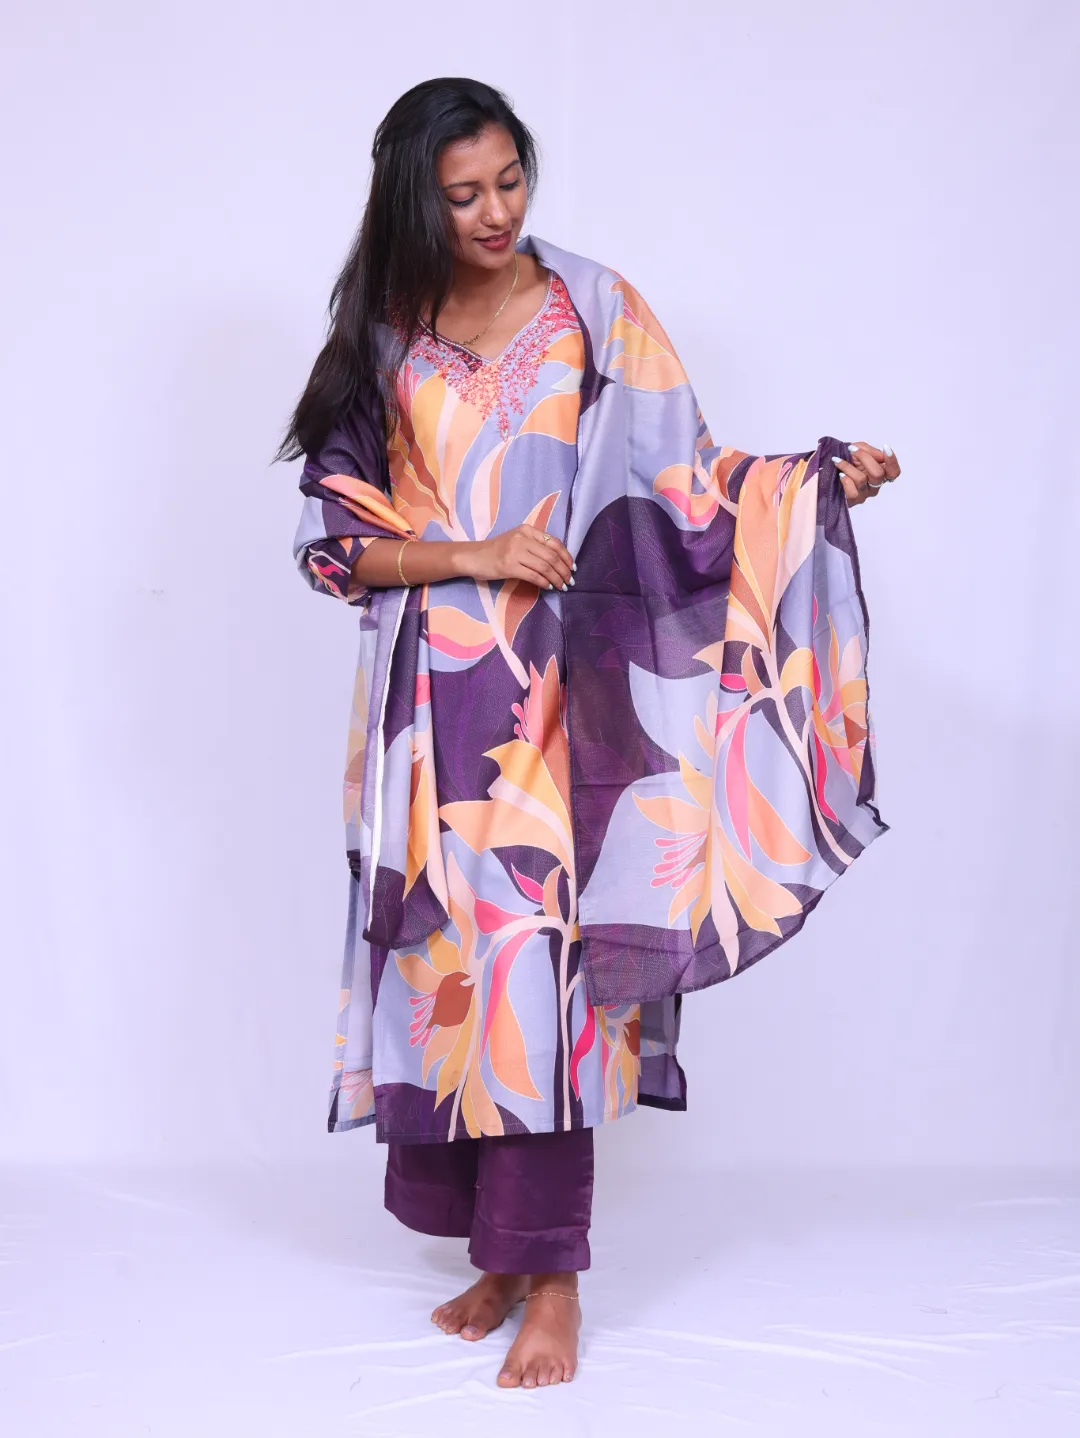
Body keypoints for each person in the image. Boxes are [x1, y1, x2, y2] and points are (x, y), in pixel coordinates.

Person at [278, 76, 900, 1391]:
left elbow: (691, 483)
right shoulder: (382, 336)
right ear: (412, 201)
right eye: (463, 193)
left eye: (510, 179)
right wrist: (474, 552)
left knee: (544, 971)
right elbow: (331, 540)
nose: (495, 210)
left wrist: (814, 484)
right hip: (427, 708)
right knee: (451, 967)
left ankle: (553, 1274)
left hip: (569, 700)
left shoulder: (594, 310)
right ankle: (498, 1254)